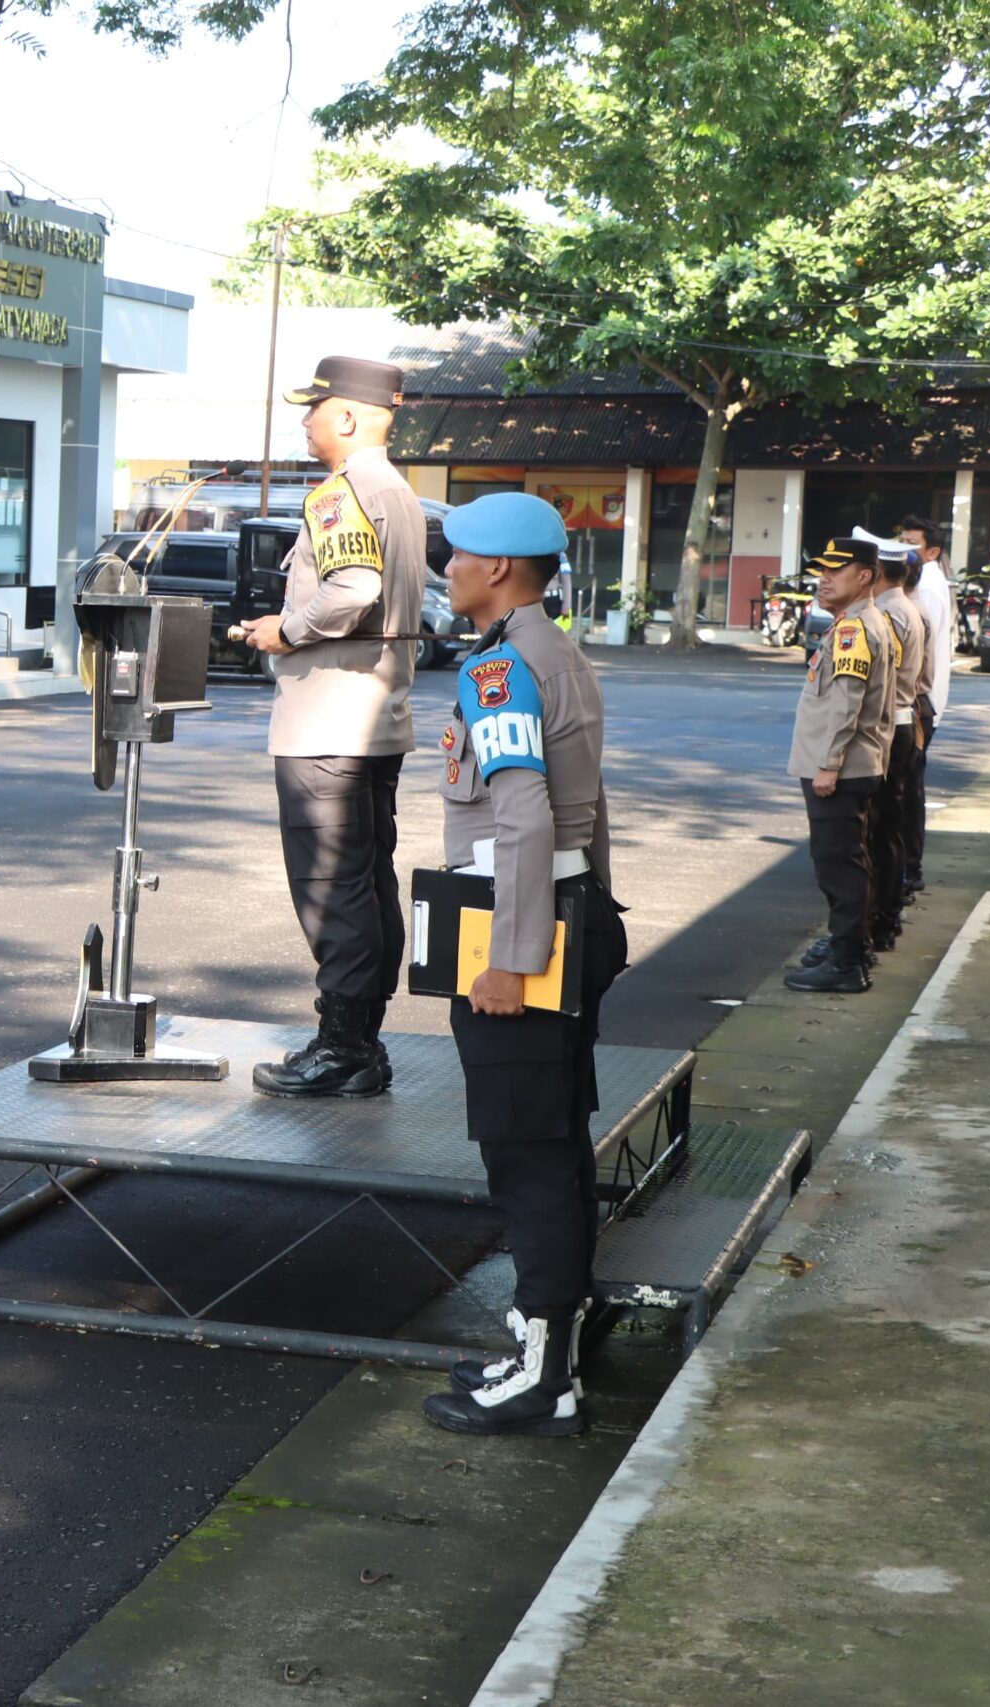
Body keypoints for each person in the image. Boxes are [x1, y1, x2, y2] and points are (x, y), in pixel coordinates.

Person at [417, 493, 624, 1438]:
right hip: (564, 915)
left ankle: (543, 1377)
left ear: (498, 569)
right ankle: (555, 1362)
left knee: (528, 1158)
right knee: (555, 1144)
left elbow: (526, 817)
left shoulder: (502, 668)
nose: (446, 566)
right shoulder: (558, 650)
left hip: (522, 929)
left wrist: (512, 957)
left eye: (456, 554)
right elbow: (586, 811)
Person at [243, 355, 429, 1098]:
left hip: (328, 721)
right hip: (375, 717)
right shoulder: (401, 495)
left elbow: (353, 588)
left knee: (331, 886)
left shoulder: (341, 492)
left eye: (313, 407)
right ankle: (362, 1041)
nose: (305, 421)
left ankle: (343, 1046)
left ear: (347, 416)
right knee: (366, 880)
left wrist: (285, 631)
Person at [784, 539, 894, 995]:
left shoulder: (854, 629)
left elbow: (847, 702)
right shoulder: (854, 623)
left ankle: (847, 962)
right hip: (848, 765)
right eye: (821, 571)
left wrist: (828, 764)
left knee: (839, 866)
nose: (823, 579)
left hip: (841, 768)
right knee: (849, 860)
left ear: (864, 576)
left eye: (836, 571)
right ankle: (849, 947)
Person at [862, 543, 928, 953]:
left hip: (893, 725)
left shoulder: (889, 614)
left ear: (875, 573)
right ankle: (885, 917)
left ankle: (879, 922)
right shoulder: (907, 608)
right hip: (905, 722)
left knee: (879, 832)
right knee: (889, 828)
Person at [896, 516, 952, 893]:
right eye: (900, 538)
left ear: (932, 552)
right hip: (923, 700)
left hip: (919, 702)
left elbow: (919, 651)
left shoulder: (927, 583)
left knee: (906, 789)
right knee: (906, 787)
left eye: (910, 542)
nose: (902, 546)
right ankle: (904, 868)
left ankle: (907, 870)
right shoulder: (925, 579)